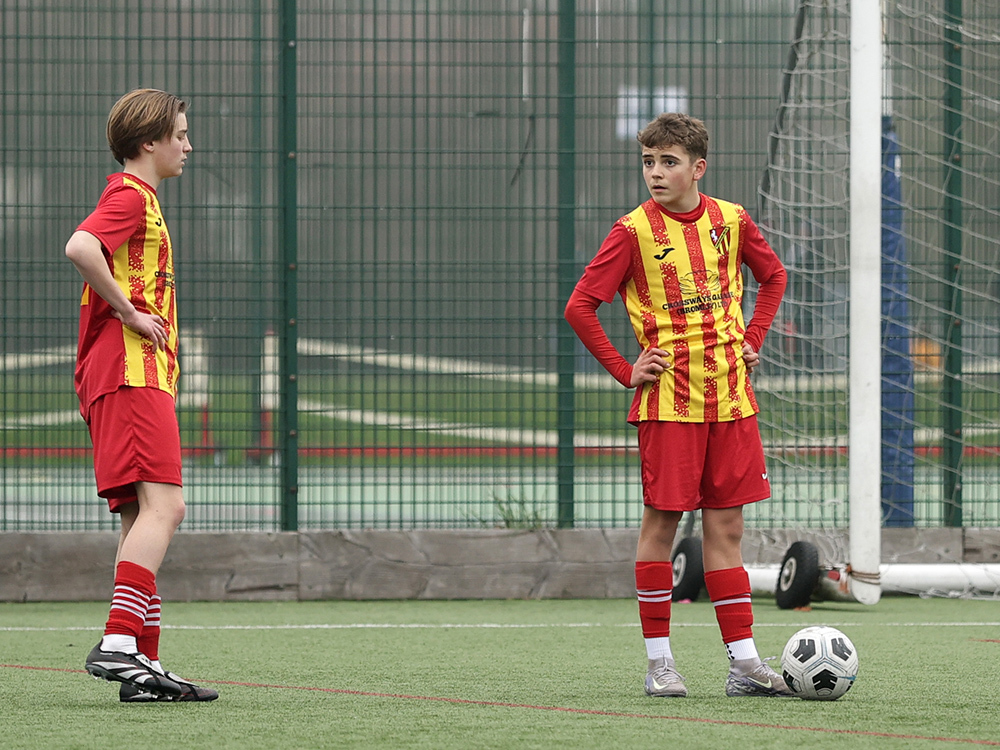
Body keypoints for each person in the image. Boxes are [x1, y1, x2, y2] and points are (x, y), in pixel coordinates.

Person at [564, 113, 790, 698]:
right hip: (669, 405)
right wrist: (625, 369)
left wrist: (753, 337)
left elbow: (774, 277)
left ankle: (743, 664)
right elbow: (580, 306)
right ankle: (660, 663)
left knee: (727, 527)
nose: (656, 173)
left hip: (732, 402)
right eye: (648, 161)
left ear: (698, 168)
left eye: (668, 162)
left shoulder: (732, 220)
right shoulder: (632, 231)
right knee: (662, 524)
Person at [66, 88, 217, 703]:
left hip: (127, 375)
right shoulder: (130, 194)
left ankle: (143, 669)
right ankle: (121, 643)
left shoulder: (142, 199)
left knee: (139, 516)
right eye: (179, 134)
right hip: (131, 372)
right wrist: (128, 311)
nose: (188, 144)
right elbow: (80, 246)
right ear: (149, 142)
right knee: (167, 508)